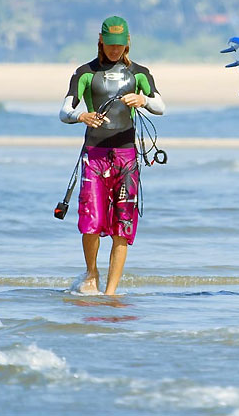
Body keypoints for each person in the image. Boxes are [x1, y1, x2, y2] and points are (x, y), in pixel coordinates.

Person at [59, 16, 165, 295]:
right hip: (94, 155)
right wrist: (81, 115)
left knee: (123, 224)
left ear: (128, 42)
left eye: (120, 44)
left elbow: (160, 105)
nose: (115, 50)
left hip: (127, 157)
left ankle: (111, 292)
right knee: (90, 221)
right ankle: (91, 273)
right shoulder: (85, 73)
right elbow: (64, 110)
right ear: (101, 40)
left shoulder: (139, 73)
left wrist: (143, 100)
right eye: (110, 44)